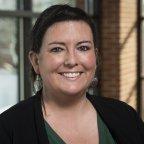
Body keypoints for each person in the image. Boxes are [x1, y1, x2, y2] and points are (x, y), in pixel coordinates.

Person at [0, 4, 144, 144]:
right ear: (36, 61)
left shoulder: (126, 116)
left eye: (83, 47)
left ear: (95, 56)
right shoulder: (7, 129)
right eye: (57, 49)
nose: (71, 60)